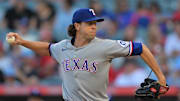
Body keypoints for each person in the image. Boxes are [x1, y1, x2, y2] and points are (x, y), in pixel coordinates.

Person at [7, 8, 168, 101]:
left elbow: (141, 48)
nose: (94, 27)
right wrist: (23, 42)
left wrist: (161, 78)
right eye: (89, 23)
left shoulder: (104, 46)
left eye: (95, 23)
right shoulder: (63, 48)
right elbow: (47, 48)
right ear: (77, 26)